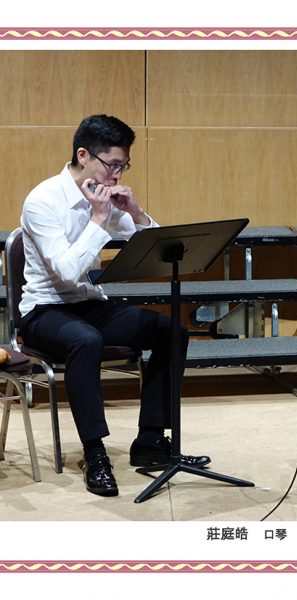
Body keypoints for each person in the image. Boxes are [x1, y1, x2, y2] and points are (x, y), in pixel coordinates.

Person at [19, 114, 210, 497]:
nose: (117, 175)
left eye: (124, 166)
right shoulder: (42, 201)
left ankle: (150, 441)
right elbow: (67, 272)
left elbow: (163, 250)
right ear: (83, 155)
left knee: (171, 331)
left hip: (88, 304)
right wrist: (99, 220)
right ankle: (95, 454)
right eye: (113, 165)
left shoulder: (103, 196)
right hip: (44, 310)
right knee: (85, 340)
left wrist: (136, 213)